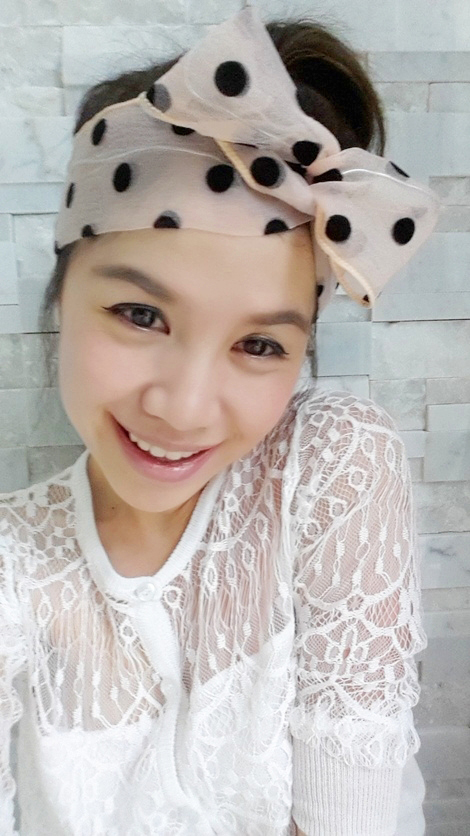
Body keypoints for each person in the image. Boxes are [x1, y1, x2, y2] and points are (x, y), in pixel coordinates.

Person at [0, 3, 439, 834]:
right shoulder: (14, 563)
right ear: (61, 297)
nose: (184, 407)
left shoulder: (328, 465)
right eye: (140, 315)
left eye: (260, 346)